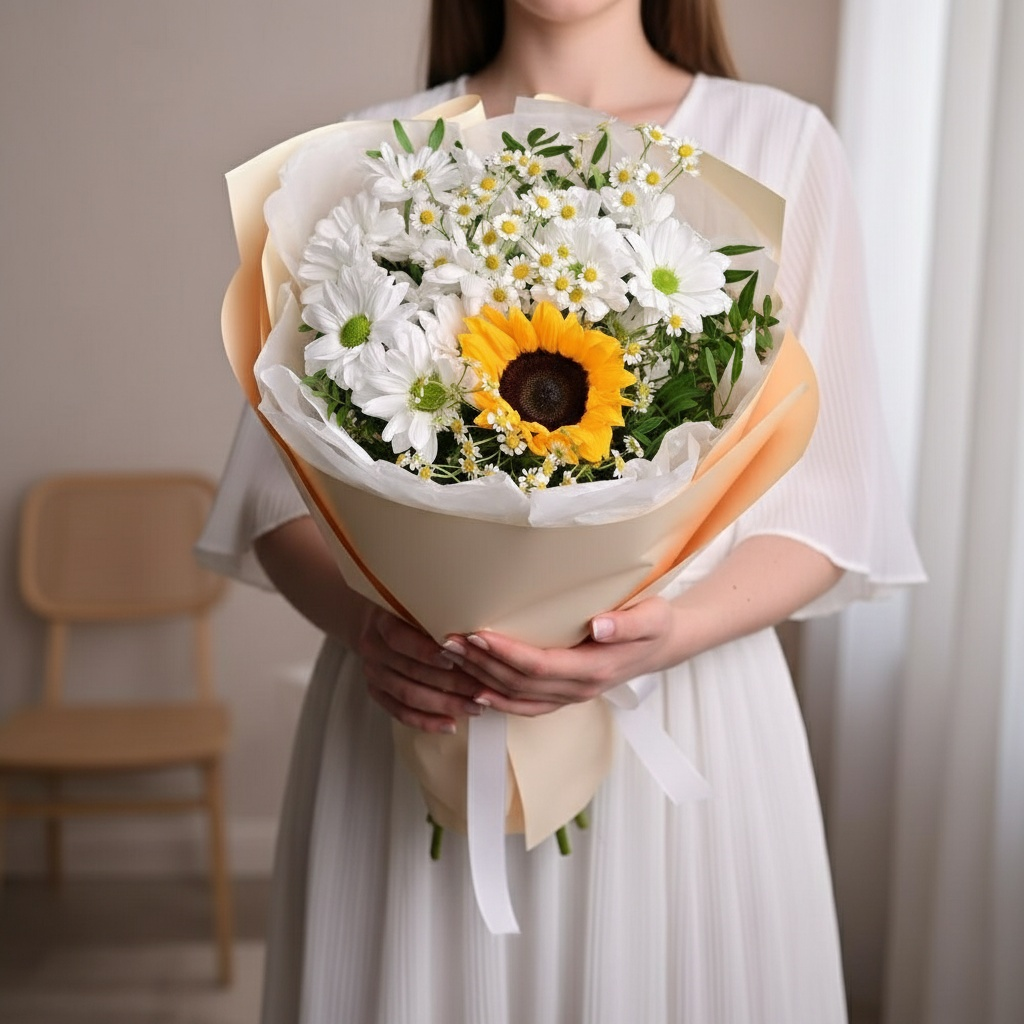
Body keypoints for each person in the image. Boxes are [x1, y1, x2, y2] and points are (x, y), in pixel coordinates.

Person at [198, 1, 925, 1021]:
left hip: (685, 717)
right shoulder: (374, 155)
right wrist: (371, 628)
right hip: (417, 707)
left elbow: (835, 498)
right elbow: (279, 497)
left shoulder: (781, 143)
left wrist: (662, 633)